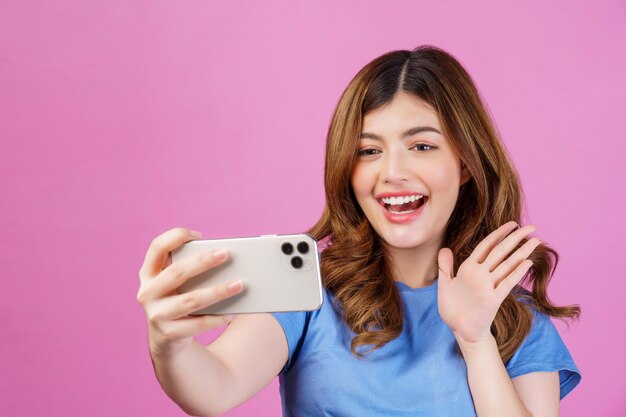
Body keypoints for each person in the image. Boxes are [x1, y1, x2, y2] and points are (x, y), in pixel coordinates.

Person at [137, 45, 581, 417]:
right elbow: (214, 388)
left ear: (464, 163)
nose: (392, 173)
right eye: (368, 150)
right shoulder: (307, 290)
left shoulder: (514, 314)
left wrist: (475, 339)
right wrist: (168, 344)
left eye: (422, 146)